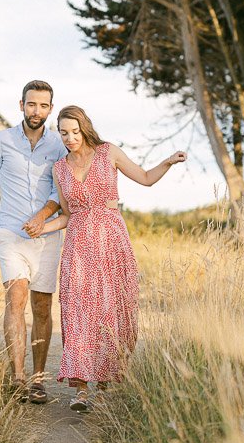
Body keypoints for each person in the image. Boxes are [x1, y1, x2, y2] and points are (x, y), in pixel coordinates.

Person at [40, 105, 186, 411]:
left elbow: (145, 178)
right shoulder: (60, 168)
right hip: (78, 245)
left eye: (75, 132)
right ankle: (81, 389)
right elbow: (66, 215)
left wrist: (168, 162)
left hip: (111, 242)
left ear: (85, 128)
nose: (69, 138)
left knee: (110, 309)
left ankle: (105, 387)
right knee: (78, 310)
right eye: (64, 133)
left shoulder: (109, 153)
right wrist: (41, 227)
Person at [0, 80, 68, 404]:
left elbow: (60, 191)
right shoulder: (1, 140)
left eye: (43, 106)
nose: (36, 111)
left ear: (50, 109)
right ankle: (18, 377)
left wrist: (42, 218)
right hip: (10, 233)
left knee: (42, 307)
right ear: (21, 105)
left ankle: (38, 379)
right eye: (31, 104)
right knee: (15, 298)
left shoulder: (59, 145)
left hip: (46, 237)